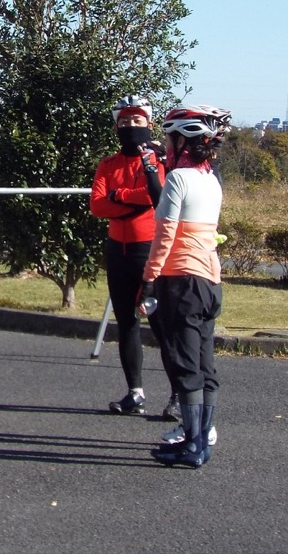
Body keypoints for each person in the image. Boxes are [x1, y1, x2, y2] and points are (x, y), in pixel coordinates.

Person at [141, 104, 231, 468]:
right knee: (204, 362)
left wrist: (148, 280)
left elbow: (164, 237)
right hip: (210, 280)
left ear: (182, 140)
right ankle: (200, 442)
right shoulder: (211, 180)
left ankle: (192, 443)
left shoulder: (178, 179)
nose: (165, 144)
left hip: (180, 279)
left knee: (184, 363)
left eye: (169, 137)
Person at [89, 96, 180, 420]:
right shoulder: (108, 163)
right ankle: (135, 393)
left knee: (162, 325)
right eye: (124, 123)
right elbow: (97, 206)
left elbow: (157, 196)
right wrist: (132, 201)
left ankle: (179, 396)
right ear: (116, 127)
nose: (130, 127)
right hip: (117, 250)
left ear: (149, 125)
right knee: (126, 323)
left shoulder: (157, 160)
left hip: (147, 249)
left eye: (137, 121)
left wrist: (120, 196)